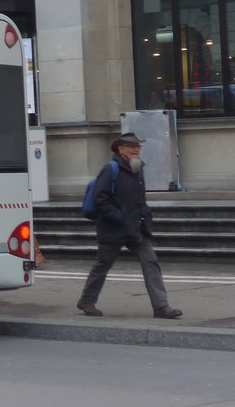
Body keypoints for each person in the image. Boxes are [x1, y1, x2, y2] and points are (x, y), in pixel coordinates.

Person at [76, 133, 182, 319]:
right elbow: (100, 198)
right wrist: (119, 217)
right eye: (131, 146)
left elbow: (139, 199)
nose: (136, 150)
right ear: (120, 149)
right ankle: (87, 300)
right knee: (103, 264)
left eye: (138, 147)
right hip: (114, 227)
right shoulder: (111, 169)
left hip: (136, 227)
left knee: (150, 262)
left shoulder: (137, 168)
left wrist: (145, 216)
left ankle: (161, 306)